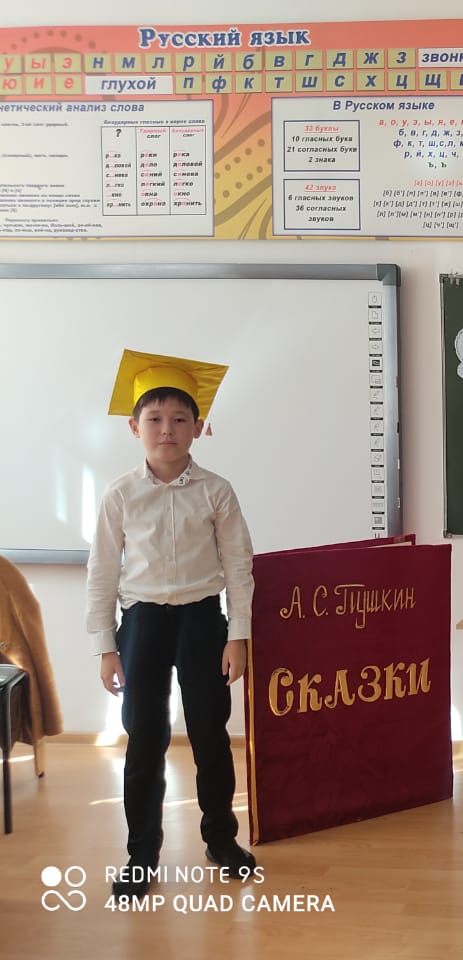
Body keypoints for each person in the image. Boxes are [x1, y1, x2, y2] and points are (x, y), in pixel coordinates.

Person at [86, 349, 258, 900]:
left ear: (199, 428)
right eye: (155, 419)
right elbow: (102, 573)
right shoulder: (120, 494)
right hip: (141, 623)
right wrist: (106, 646)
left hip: (202, 621)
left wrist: (238, 635)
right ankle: (142, 853)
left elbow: (238, 566)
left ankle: (221, 838)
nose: (167, 430)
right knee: (145, 739)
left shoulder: (216, 491)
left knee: (210, 734)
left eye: (180, 419)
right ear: (134, 427)